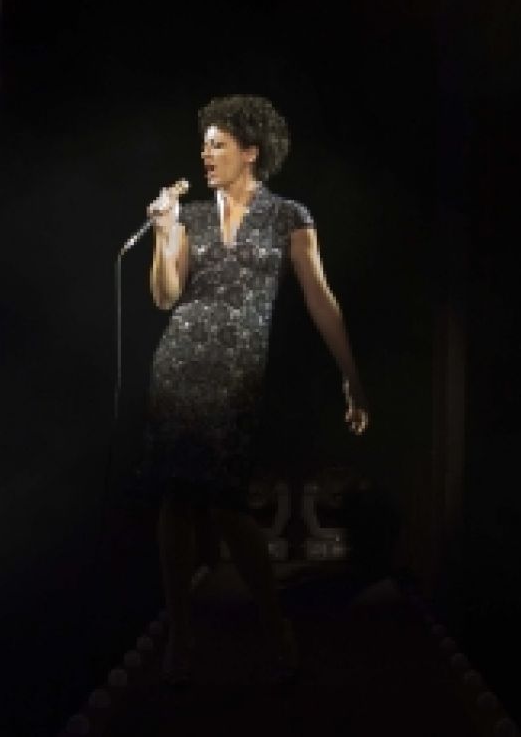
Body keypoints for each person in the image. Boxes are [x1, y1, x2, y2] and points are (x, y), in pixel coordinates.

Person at [139, 94, 369, 685]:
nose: (206, 155)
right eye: (204, 145)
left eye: (217, 145)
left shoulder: (289, 215)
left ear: (250, 151)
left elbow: (320, 298)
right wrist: (164, 233)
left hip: (237, 375)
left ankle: (274, 624)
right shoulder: (190, 217)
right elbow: (165, 297)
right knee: (176, 497)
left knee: (226, 502)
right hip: (179, 366)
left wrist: (351, 376)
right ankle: (181, 633)